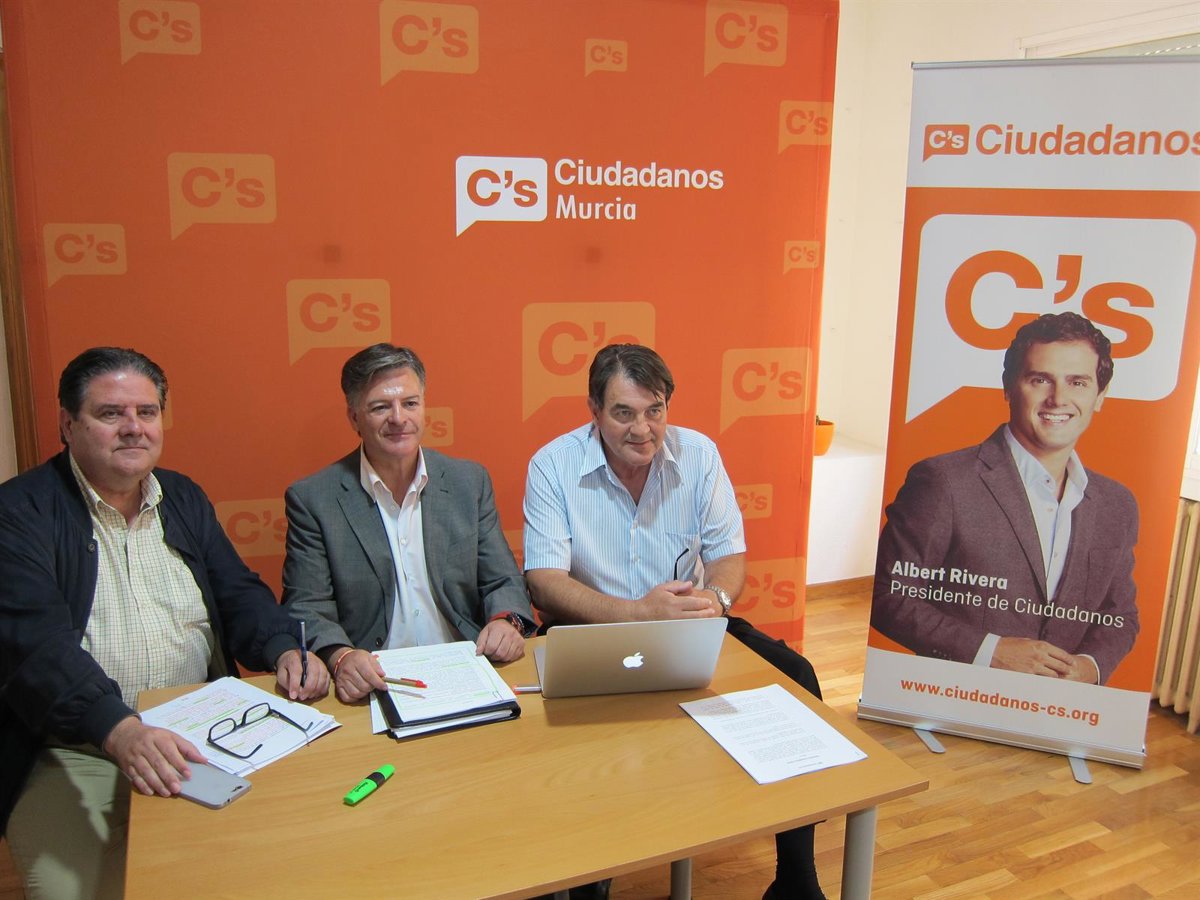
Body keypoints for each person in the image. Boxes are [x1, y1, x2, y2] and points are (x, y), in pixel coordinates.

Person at [0, 347, 330, 900]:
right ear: (67, 424)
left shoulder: (182, 496)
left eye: (147, 412)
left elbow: (237, 592)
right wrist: (119, 729)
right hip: (76, 748)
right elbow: (36, 648)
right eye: (111, 413)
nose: (133, 428)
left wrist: (281, 647)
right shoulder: (19, 512)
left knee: (284, 862)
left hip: (203, 733)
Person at [523, 343, 825, 900]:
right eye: (623, 413)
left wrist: (715, 599)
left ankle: (796, 878)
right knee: (574, 737)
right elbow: (544, 583)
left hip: (687, 627)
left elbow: (730, 557)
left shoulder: (700, 454)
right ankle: (588, 879)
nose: (642, 429)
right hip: (589, 634)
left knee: (796, 675)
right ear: (594, 410)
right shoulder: (552, 465)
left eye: (654, 410)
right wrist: (639, 613)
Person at [871, 312, 1139, 685]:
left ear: (1100, 396)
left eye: (1077, 382)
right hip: (956, 698)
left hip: (1062, 708)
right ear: (1009, 388)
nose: (1058, 399)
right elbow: (889, 596)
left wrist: (1089, 668)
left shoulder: (1117, 504)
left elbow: (1120, 615)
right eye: (1040, 379)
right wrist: (991, 652)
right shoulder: (943, 481)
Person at [283, 343, 535, 703]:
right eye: (380, 407)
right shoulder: (314, 499)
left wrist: (505, 622)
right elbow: (307, 606)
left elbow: (502, 579)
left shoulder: (468, 482)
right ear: (354, 418)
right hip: (375, 681)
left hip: (466, 667)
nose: (399, 418)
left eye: (410, 403)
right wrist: (341, 657)